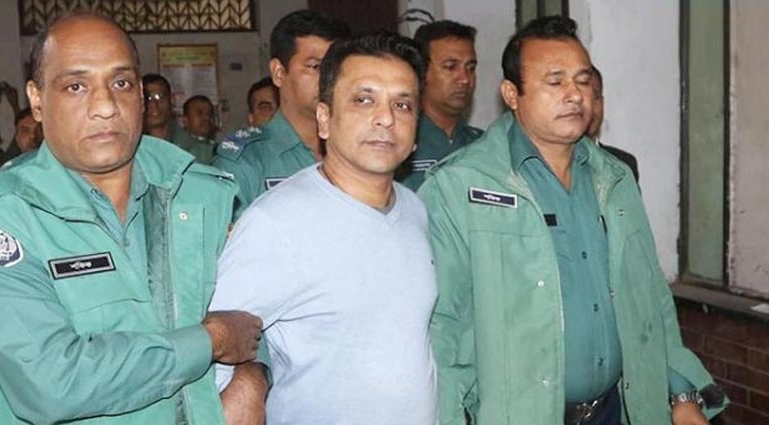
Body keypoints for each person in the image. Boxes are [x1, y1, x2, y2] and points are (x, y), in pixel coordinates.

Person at [419, 16, 726, 425]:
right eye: (555, 81)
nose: (575, 94)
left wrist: (681, 391)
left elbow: (649, 298)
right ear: (512, 94)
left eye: (582, 80)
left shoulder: (614, 179)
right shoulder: (460, 186)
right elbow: (442, 329)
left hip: (615, 411)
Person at [0, 11, 263, 425]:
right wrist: (211, 341)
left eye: (121, 83)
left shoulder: (202, 193)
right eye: (76, 86)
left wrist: (254, 377)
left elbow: (263, 310)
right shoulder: (2, 214)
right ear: (37, 100)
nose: (105, 107)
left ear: (141, 95)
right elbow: (51, 384)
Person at [211, 32, 437, 425]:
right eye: (363, 100)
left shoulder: (414, 209)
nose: (386, 118)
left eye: (402, 104)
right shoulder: (276, 223)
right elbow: (214, 359)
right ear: (324, 119)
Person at [214, 10, 349, 217]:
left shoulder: (360, 149)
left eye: (336, 68)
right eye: (315, 66)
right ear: (279, 73)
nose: (328, 78)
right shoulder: (246, 161)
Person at [398, 20, 482, 191]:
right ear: (421, 71)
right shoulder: (400, 140)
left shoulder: (484, 144)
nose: (465, 79)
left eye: (471, 68)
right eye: (450, 67)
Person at [588, 65, 639, 182]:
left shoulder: (623, 165)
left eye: (595, 97)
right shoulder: (552, 166)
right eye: (582, 97)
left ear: (602, 102)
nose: (589, 106)